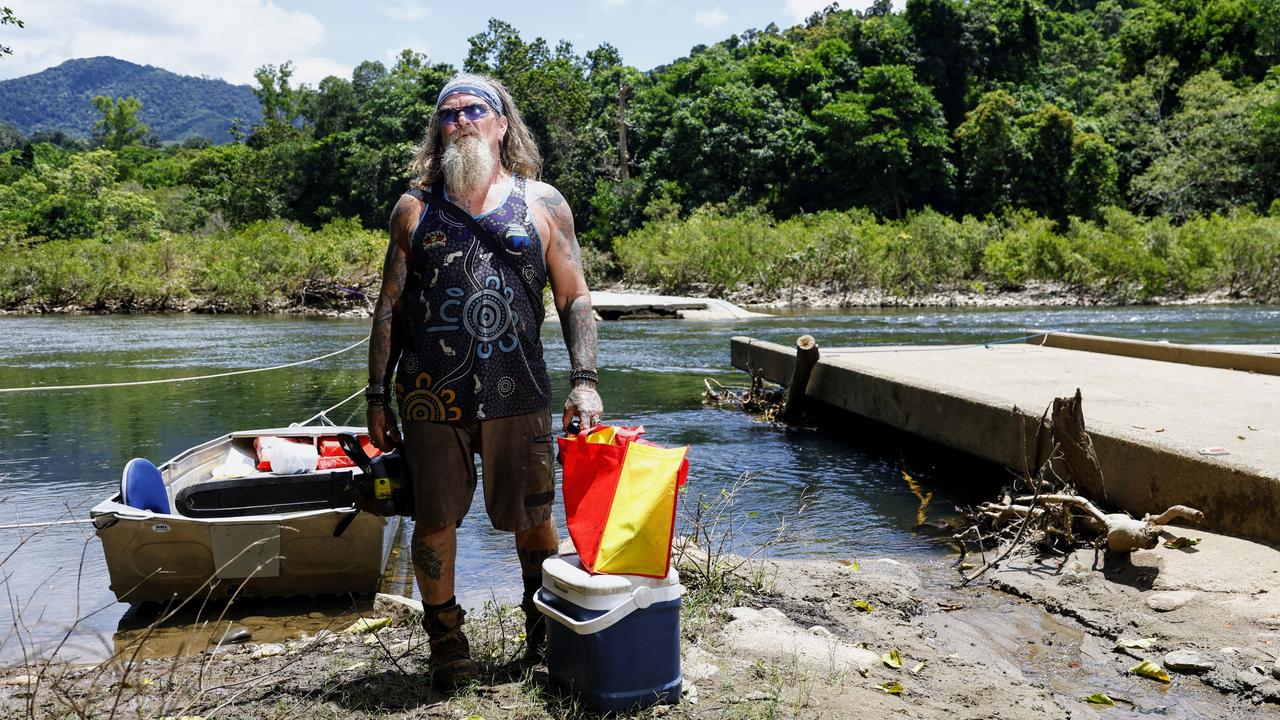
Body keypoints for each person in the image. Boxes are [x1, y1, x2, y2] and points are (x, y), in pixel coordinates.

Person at [364, 73, 603, 689]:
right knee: (434, 520)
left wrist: (584, 381)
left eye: (475, 110)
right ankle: (447, 647)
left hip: (518, 392)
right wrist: (376, 395)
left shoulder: (544, 204)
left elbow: (575, 299)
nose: (461, 120)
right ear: (437, 131)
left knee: (533, 517)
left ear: (502, 124)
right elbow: (389, 306)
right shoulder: (414, 208)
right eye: (448, 114)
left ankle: (543, 631)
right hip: (427, 395)